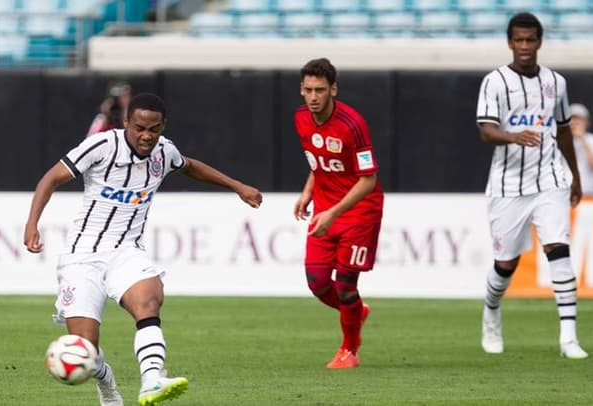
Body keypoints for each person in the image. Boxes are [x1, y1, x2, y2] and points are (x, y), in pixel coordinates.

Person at [24, 93, 263, 405]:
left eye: (154, 129)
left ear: (163, 127)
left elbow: (189, 166)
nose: (146, 136)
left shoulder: (165, 152)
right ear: (126, 123)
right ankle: (107, 384)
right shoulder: (102, 146)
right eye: (139, 128)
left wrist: (238, 187)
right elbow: (50, 178)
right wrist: (32, 224)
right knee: (85, 348)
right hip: (82, 256)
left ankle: (152, 380)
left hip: (127, 252)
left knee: (149, 301)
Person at [475, 13, 588, 359]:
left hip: (549, 180)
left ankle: (568, 338)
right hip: (507, 186)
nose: (525, 47)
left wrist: (574, 176)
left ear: (540, 42)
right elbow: (485, 131)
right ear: (510, 43)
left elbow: (565, 130)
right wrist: (512, 136)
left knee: (558, 249)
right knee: (506, 264)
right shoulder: (494, 82)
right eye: (519, 40)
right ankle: (491, 311)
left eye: (531, 40)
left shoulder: (556, 82)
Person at [293, 58, 384, 369]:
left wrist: (332, 212)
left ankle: (349, 351)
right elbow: (317, 162)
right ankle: (356, 310)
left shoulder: (352, 124)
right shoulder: (301, 118)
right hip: (325, 209)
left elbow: (368, 179)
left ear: (333, 89)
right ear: (301, 90)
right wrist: (308, 192)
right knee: (317, 282)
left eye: (320, 90)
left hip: (359, 211)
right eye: (308, 90)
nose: (314, 96)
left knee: (346, 285)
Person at [569, 103, 593, 196]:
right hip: (563, 195)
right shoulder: (558, 140)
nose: (575, 122)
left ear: (587, 123)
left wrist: (582, 139)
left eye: (579, 119)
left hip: (588, 194)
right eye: (572, 119)